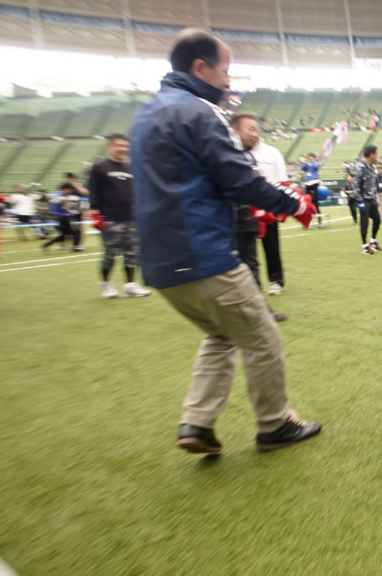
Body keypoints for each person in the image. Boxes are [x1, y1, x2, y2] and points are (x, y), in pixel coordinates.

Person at [131, 28, 320, 455]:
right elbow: (237, 178)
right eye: (225, 69)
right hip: (203, 255)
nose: (229, 81)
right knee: (264, 337)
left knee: (221, 334)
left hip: (160, 266)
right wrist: (291, 202)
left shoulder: (145, 114)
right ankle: (274, 425)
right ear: (200, 67)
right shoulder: (198, 113)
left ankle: (196, 425)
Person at [227, 113, 287, 322]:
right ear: (234, 130)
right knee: (234, 269)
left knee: (251, 266)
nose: (255, 133)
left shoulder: (248, 157)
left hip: (247, 220)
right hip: (229, 222)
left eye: (256, 129)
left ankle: (259, 311)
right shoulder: (224, 156)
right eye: (250, 129)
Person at [87, 133, 150, 299]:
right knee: (110, 254)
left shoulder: (131, 167)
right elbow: (94, 191)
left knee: (133, 253)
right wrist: (95, 213)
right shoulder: (100, 167)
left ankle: (130, 285)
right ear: (110, 147)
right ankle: (106, 285)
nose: (123, 149)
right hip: (109, 219)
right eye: (119, 145)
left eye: (125, 146)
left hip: (130, 218)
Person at [249, 133, 289, 295]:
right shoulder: (237, 153)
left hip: (268, 206)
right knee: (246, 249)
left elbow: (282, 179)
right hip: (246, 206)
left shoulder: (272, 152)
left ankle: (276, 280)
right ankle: (251, 284)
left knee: (271, 245)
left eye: (254, 128)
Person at [353, 144, 382, 255]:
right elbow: (356, 185)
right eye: (376, 153)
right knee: (364, 222)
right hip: (363, 199)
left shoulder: (371, 167)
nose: (377, 156)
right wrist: (359, 201)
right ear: (371, 154)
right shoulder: (360, 166)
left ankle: (373, 241)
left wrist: (374, 197)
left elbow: (372, 184)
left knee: (377, 219)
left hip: (371, 198)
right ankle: (365, 246)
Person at [41, 183, 78, 252]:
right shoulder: (59, 196)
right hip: (61, 217)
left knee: (64, 235)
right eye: (69, 190)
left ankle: (46, 245)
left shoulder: (61, 196)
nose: (70, 192)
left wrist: (70, 211)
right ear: (65, 189)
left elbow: (64, 206)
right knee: (72, 232)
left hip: (62, 216)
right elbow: (54, 202)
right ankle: (76, 247)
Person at [299, 153, 323, 227]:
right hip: (307, 183)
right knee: (307, 201)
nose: (309, 158)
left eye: (311, 157)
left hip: (314, 182)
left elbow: (316, 166)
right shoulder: (307, 164)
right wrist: (302, 162)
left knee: (315, 201)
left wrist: (309, 163)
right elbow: (302, 168)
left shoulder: (315, 163)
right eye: (308, 157)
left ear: (313, 158)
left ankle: (319, 220)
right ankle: (307, 221)